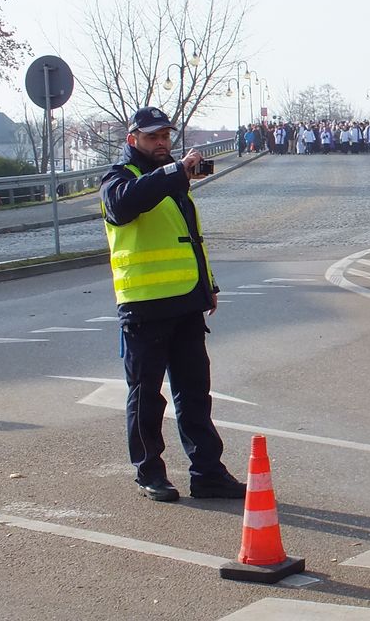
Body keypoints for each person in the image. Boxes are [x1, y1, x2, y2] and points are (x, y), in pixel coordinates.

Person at [99, 107, 247, 503]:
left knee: (195, 393)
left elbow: (189, 237)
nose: (161, 143)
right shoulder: (119, 179)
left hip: (184, 302)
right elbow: (125, 206)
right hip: (144, 307)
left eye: (165, 136)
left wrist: (207, 286)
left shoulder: (172, 181)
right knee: (147, 396)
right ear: (133, 141)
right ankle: (150, 472)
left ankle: (208, 474)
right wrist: (172, 173)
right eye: (152, 137)